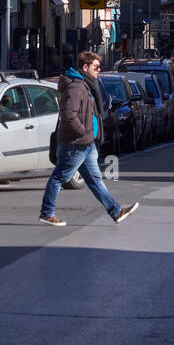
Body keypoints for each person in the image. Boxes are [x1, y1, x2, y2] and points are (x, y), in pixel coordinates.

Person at [39, 51, 139, 227]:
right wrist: (83, 133)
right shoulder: (76, 87)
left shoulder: (85, 84)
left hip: (86, 143)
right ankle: (47, 213)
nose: (99, 70)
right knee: (59, 177)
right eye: (96, 67)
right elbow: (69, 115)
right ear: (85, 67)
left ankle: (116, 211)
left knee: (95, 180)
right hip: (76, 143)